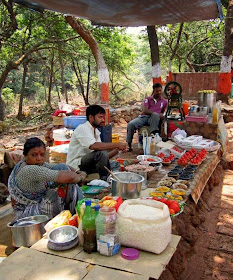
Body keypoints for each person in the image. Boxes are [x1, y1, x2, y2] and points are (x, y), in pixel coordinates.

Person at [8, 137, 85, 220]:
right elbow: (67, 177)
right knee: (71, 187)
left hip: (36, 203)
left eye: (42, 154)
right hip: (29, 213)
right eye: (34, 155)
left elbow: (60, 166)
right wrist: (81, 177)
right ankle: (80, 214)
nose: (39, 158)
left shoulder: (32, 163)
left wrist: (78, 172)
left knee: (62, 167)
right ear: (25, 155)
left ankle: (76, 211)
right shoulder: (29, 170)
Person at [66, 104, 128, 181]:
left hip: (89, 165)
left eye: (103, 117)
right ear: (91, 117)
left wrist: (117, 150)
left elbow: (103, 157)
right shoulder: (82, 128)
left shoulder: (96, 132)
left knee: (115, 164)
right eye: (100, 117)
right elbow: (94, 147)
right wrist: (117, 144)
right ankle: (104, 180)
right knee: (101, 153)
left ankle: (113, 180)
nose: (102, 120)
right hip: (76, 166)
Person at [126, 83, 168, 151]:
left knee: (155, 116)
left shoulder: (164, 102)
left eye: (160, 91)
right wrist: (156, 113)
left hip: (155, 118)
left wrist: (159, 116)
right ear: (153, 91)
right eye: (157, 91)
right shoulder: (148, 99)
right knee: (131, 124)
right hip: (144, 117)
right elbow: (145, 110)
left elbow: (163, 112)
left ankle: (153, 141)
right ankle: (129, 144)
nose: (159, 92)